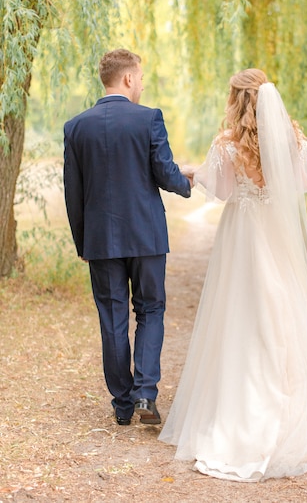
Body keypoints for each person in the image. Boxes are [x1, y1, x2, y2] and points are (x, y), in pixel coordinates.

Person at [159, 69, 307, 482]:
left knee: (240, 314)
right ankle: (289, 402)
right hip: (275, 232)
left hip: (243, 235)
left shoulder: (227, 144)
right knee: (281, 308)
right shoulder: (294, 141)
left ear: (237, 99)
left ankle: (239, 407)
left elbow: (222, 190)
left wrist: (192, 170)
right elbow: (297, 186)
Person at [63, 48, 192, 427]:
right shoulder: (148, 119)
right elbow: (165, 174)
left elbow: (74, 191)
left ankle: (122, 404)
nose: (141, 85)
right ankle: (145, 394)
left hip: (101, 240)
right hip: (147, 235)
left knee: (113, 316)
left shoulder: (76, 127)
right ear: (129, 78)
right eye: (141, 78)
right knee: (150, 309)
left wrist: (82, 242)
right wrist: (187, 180)